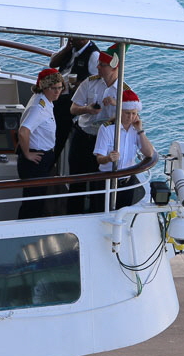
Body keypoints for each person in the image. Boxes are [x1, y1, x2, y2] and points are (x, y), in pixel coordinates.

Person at [67, 44, 126, 213]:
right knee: (76, 181)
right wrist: (87, 109)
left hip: (104, 143)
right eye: (99, 64)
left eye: (102, 65)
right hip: (83, 137)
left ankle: (96, 218)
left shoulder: (123, 92)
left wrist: (116, 105)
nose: (98, 67)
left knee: (99, 186)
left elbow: (133, 115)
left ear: (114, 67)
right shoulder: (90, 82)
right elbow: (73, 109)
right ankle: (73, 217)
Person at [92, 89, 155, 211]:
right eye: (127, 113)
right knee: (101, 213)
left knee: (123, 215)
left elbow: (149, 153)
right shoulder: (107, 129)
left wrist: (140, 131)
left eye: (134, 113)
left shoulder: (135, 129)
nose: (130, 117)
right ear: (119, 111)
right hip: (107, 181)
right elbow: (99, 159)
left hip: (127, 181)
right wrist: (108, 158)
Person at [16, 68, 65, 219]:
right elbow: (23, 131)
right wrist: (27, 154)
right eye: (53, 88)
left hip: (42, 157)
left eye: (60, 87)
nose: (57, 92)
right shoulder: (39, 107)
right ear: (44, 87)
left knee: (36, 200)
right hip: (36, 160)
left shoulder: (45, 100)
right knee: (33, 203)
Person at [48, 37, 99, 163]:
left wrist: (80, 84)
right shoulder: (70, 47)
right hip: (56, 94)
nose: (70, 38)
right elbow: (53, 63)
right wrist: (66, 49)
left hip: (69, 99)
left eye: (73, 37)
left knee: (58, 135)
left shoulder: (93, 55)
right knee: (47, 129)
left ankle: (49, 164)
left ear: (83, 39)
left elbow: (96, 80)